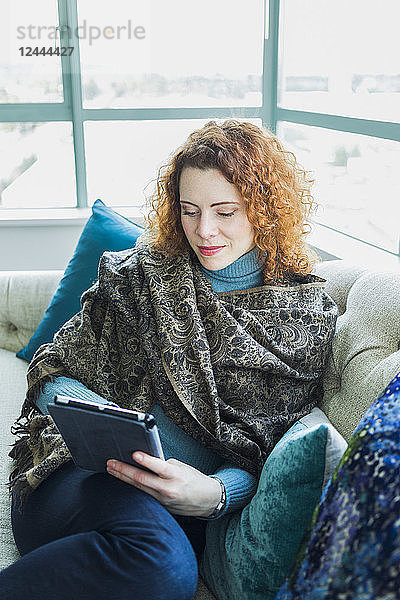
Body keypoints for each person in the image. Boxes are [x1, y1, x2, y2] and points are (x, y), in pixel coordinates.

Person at [2, 120, 338, 600]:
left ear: (265, 210)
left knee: (160, 562)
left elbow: (262, 448)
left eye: (225, 212)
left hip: (175, 510)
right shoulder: (142, 276)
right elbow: (54, 367)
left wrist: (215, 496)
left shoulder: (304, 318)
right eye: (189, 211)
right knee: (165, 568)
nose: (205, 232)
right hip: (75, 479)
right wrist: (107, 420)